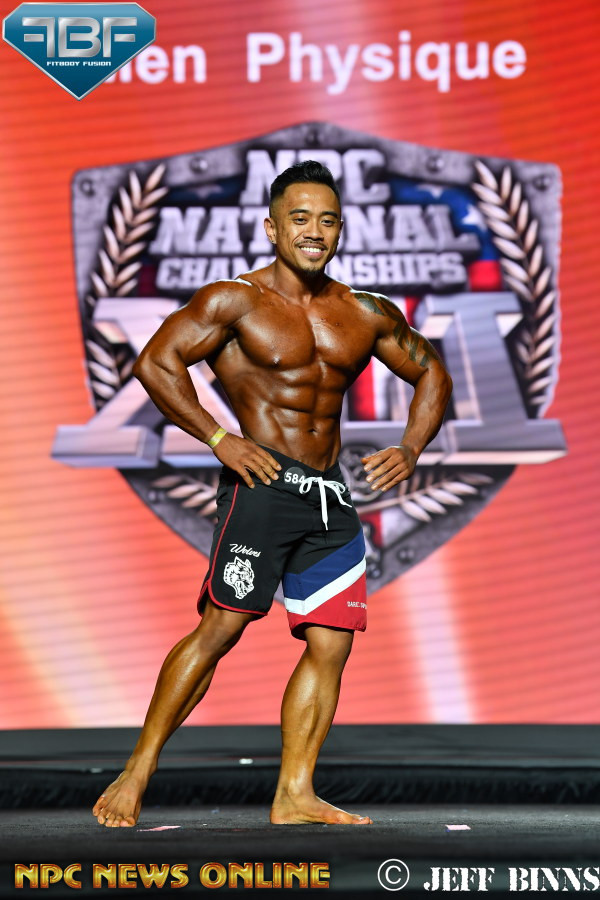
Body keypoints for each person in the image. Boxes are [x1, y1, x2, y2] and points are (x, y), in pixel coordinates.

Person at [92, 160, 452, 828]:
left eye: (327, 220)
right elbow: (155, 363)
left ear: (340, 230)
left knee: (332, 643)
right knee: (221, 629)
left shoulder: (365, 312)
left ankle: (294, 793)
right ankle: (136, 771)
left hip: (329, 497)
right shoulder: (234, 301)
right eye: (300, 218)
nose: (315, 231)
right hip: (261, 487)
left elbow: (431, 371)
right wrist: (217, 438)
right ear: (272, 227)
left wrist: (410, 448)